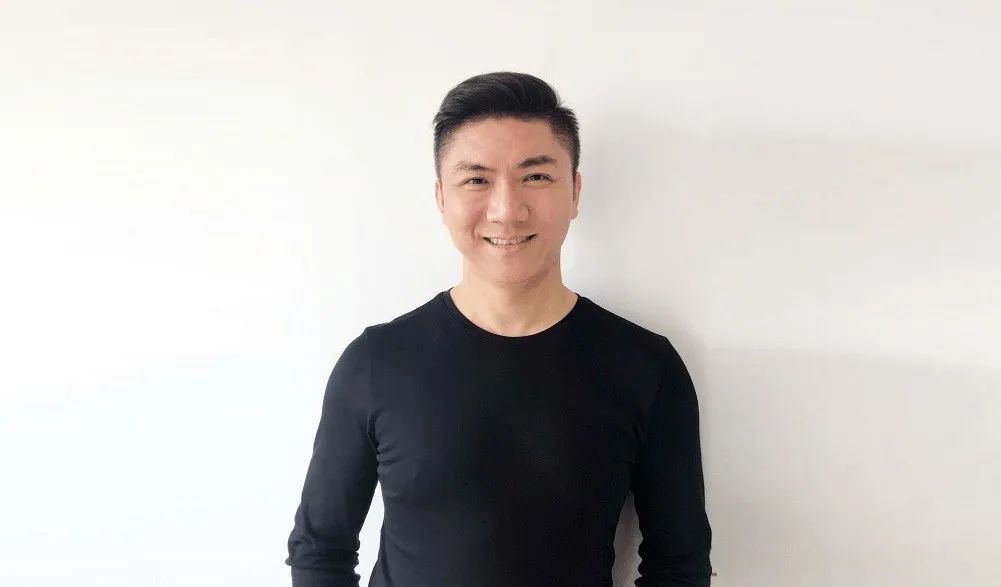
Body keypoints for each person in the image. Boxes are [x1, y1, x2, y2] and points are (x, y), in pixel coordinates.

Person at [285, 71, 713, 586]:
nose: (507, 211)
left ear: (575, 192)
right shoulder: (376, 361)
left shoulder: (645, 367)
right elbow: (320, 550)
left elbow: (679, 565)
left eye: (536, 176)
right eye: (476, 180)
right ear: (441, 198)